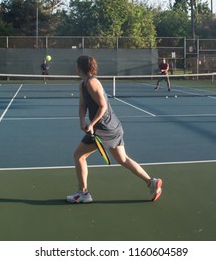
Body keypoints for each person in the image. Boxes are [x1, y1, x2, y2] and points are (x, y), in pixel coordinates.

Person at [67, 55, 163, 203]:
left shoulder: (92, 83)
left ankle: (83, 193)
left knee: (79, 155)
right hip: (112, 127)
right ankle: (152, 182)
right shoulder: (82, 84)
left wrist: (91, 125)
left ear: (80, 67)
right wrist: (82, 121)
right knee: (122, 159)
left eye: (76, 65)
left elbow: (103, 106)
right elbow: (82, 105)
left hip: (105, 128)